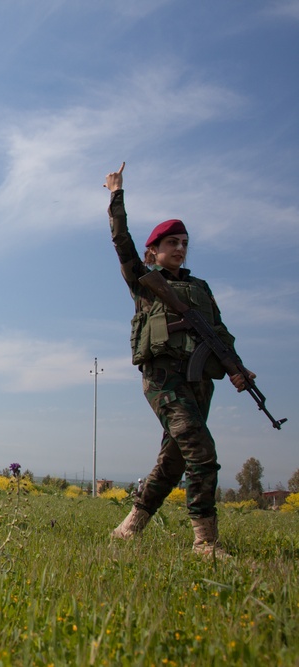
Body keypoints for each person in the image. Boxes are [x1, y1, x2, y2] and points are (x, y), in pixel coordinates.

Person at [105, 162, 254, 557]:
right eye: (172, 242)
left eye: (184, 242)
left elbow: (220, 333)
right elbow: (122, 243)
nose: (180, 248)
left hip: (199, 380)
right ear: (154, 251)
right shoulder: (145, 283)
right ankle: (205, 542)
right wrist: (116, 196)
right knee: (201, 451)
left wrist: (237, 368)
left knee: (173, 461)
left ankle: (129, 526)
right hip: (164, 378)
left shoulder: (201, 288)